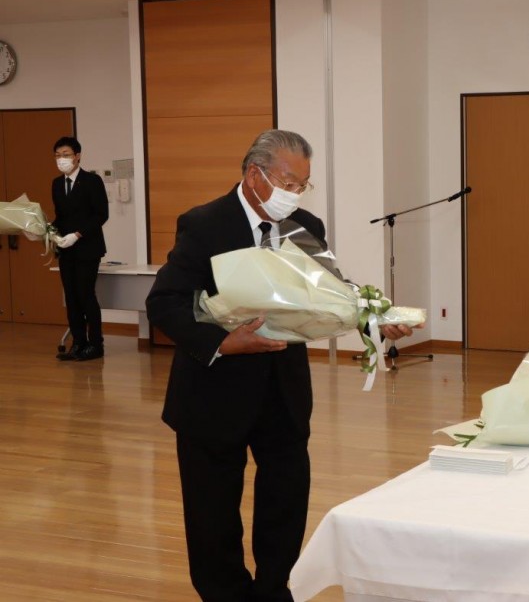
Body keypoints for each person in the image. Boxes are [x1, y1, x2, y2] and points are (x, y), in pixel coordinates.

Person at [146, 129, 416, 602]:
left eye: (301, 185)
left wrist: (372, 318)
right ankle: (227, 593)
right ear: (255, 175)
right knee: (212, 510)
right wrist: (224, 343)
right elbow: (164, 303)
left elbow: (331, 289)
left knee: (286, 500)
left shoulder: (304, 225)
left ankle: (275, 590)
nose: (294, 194)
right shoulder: (204, 224)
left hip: (283, 389)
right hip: (215, 389)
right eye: (288, 182)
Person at [51, 136, 109, 361]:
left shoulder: (92, 181)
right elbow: (61, 216)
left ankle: (96, 344)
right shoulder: (57, 183)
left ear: (77, 156)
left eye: (65, 155)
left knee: (86, 295)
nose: (61, 159)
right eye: (57, 156)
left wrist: (77, 234)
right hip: (66, 250)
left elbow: (101, 215)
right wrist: (47, 231)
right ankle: (78, 343)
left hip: (88, 248)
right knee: (72, 297)